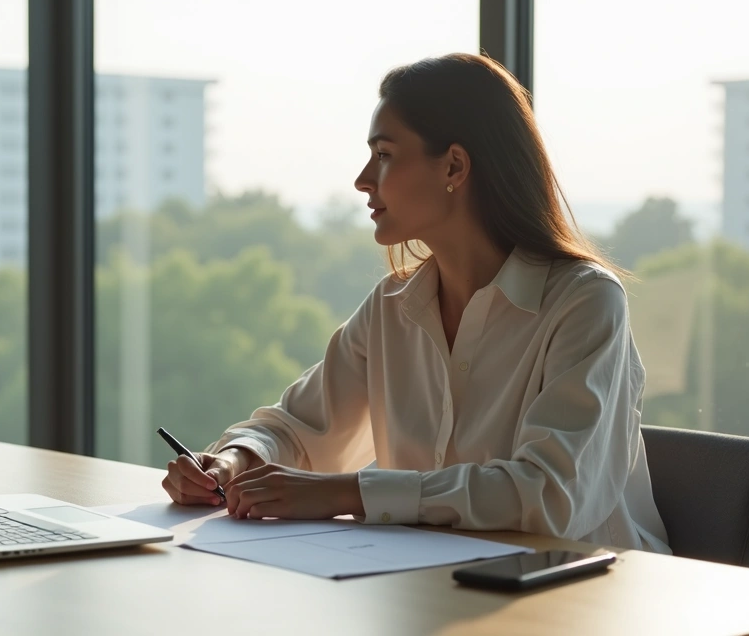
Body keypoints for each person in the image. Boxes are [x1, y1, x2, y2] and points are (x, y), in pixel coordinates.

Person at [161, 52, 671, 553]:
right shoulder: (392, 306)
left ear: (454, 166)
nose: (363, 179)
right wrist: (232, 461)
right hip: (436, 581)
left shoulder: (586, 302)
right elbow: (298, 428)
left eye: (384, 155)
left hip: (583, 587)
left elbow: (550, 496)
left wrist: (349, 493)